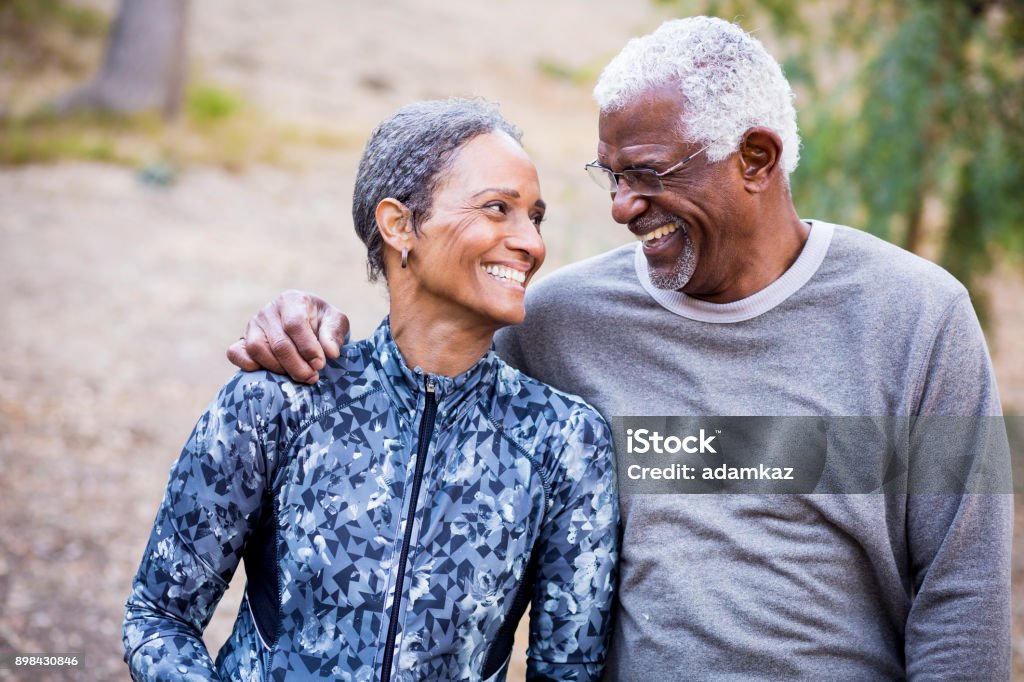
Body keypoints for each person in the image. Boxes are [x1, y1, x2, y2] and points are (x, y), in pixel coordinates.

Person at [229, 17, 1012, 680]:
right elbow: (417, 393)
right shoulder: (561, 320)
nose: (621, 208)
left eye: (647, 174)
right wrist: (306, 323)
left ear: (757, 159)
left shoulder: (915, 316)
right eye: (609, 176)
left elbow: (962, 595)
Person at [123, 99, 619, 681]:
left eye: (534, 217)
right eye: (497, 209)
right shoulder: (280, 401)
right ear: (399, 224)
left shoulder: (565, 442)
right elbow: (158, 617)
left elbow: (569, 670)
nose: (531, 243)